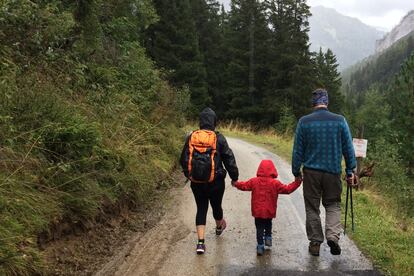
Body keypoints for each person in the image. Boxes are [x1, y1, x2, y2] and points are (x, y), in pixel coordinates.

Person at [292, 88, 357, 256]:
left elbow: (297, 150)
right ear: (326, 102)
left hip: (311, 172)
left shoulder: (304, 122)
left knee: (312, 207)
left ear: (313, 103)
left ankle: (315, 243)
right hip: (333, 172)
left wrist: (296, 171)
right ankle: (333, 237)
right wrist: (351, 170)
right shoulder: (340, 121)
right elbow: (348, 149)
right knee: (333, 204)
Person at [180, 107, 239, 255]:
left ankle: (200, 243)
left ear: (200, 121)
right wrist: (234, 177)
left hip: (197, 182)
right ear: (214, 121)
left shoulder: (191, 136)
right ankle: (219, 226)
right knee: (216, 205)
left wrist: (189, 175)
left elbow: (183, 159)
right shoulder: (218, 138)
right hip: (216, 181)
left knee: (201, 208)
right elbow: (229, 158)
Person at [233, 159, 302, 256]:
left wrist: (236, 184)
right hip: (269, 210)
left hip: (257, 211)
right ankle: (268, 237)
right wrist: (297, 182)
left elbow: (244, 186)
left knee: (259, 227)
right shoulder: (275, 183)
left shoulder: (254, 181)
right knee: (268, 223)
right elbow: (287, 189)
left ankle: (260, 245)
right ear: (273, 170)